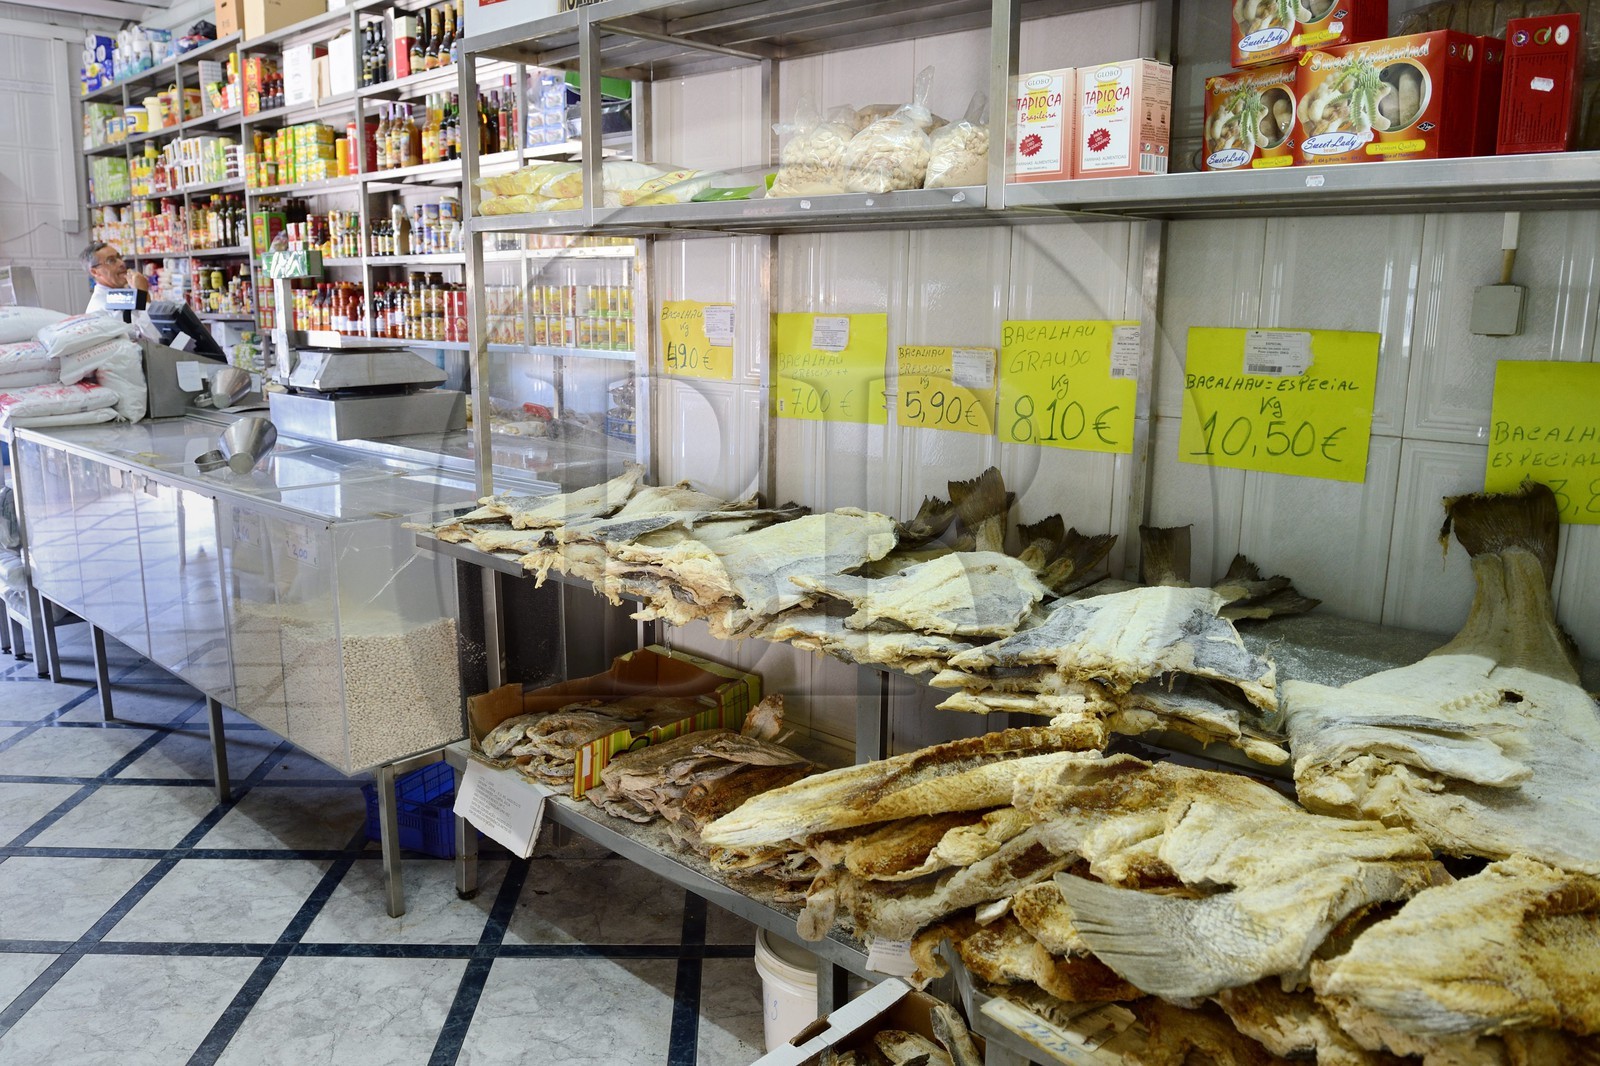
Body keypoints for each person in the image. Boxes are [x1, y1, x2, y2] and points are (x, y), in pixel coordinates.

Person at [80, 241, 156, 339]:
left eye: (119, 257)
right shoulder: (101, 307)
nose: (121, 263)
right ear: (95, 272)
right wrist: (143, 294)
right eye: (111, 261)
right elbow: (150, 338)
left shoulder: (124, 293)